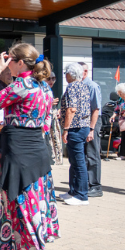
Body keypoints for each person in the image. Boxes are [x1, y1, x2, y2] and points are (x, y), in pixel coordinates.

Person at [0, 43, 58, 250]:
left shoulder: (22, 85)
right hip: (37, 150)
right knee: (34, 205)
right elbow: (45, 122)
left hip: (20, 152)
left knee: (26, 206)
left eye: (9, 60)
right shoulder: (43, 87)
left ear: (20, 62)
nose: (7, 64)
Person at [58, 63, 92, 206]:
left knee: (78, 162)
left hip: (76, 128)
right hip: (82, 127)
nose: (65, 75)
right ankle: (73, 191)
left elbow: (72, 109)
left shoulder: (72, 87)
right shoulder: (83, 86)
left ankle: (82, 195)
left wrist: (66, 129)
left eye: (66, 72)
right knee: (74, 161)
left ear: (70, 74)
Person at [78, 62, 103, 197]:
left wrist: (92, 129)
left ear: (85, 72)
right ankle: (86, 183)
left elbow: (96, 109)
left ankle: (95, 186)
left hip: (92, 122)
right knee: (83, 155)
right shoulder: (78, 86)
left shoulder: (92, 86)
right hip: (82, 123)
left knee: (92, 154)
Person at [45, 72, 63, 165]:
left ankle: (56, 159)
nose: (51, 81)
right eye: (49, 78)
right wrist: (49, 104)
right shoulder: (42, 89)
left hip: (53, 118)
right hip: (45, 121)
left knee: (55, 138)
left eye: (53, 78)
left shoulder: (50, 90)